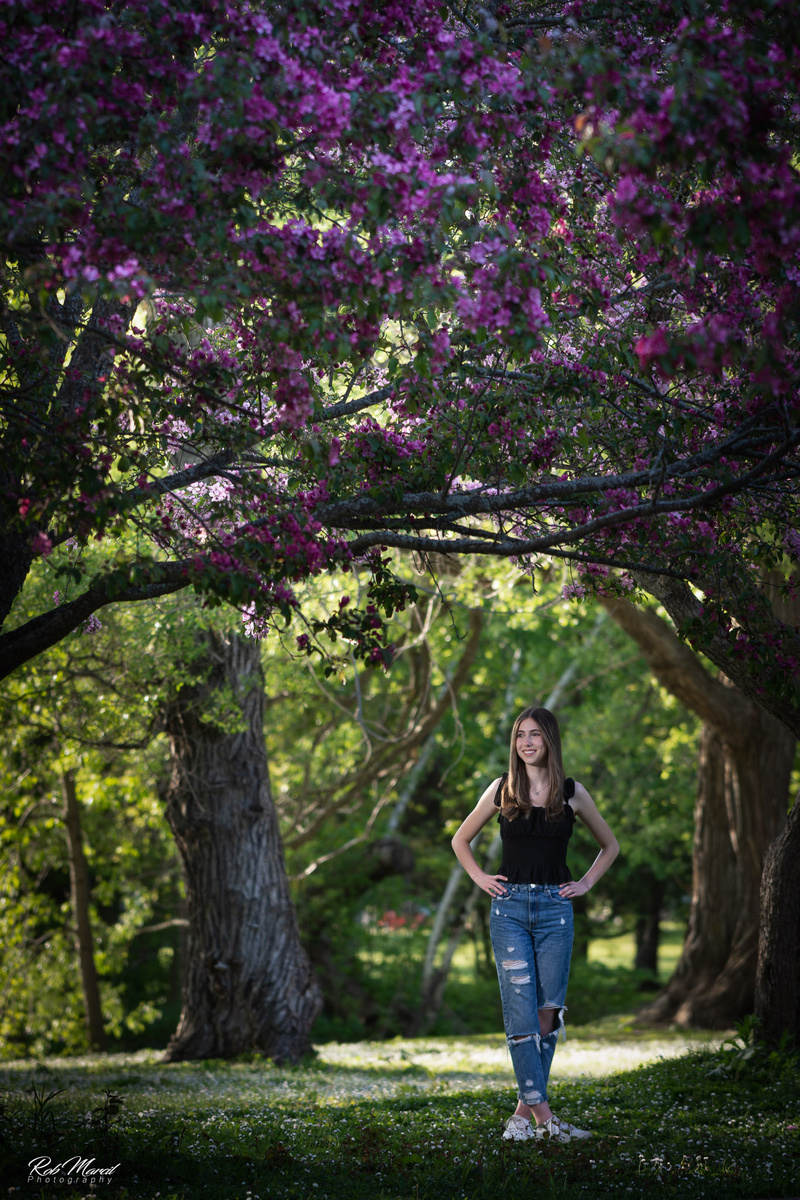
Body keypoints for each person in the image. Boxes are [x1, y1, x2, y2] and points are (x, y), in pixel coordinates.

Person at [451, 705, 619, 1143]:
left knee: (547, 1014)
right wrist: (481, 878)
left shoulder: (571, 792)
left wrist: (584, 883)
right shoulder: (502, 788)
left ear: (549, 740)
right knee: (521, 1015)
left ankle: (522, 1117)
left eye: (535, 735)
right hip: (508, 911)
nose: (526, 742)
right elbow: (460, 839)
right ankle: (547, 1120)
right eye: (520, 735)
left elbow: (610, 845)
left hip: (554, 911)